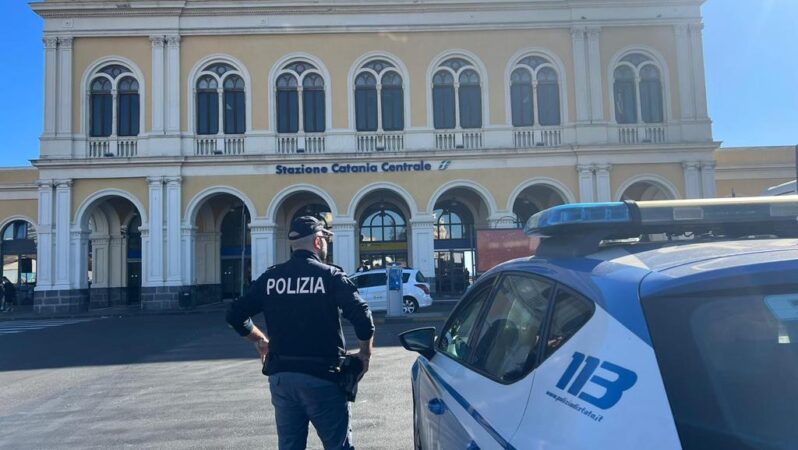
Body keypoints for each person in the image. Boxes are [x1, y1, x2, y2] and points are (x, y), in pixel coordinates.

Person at [226, 216, 375, 450]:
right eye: (325, 238)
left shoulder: (270, 278)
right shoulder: (330, 276)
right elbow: (363, 318)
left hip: (282, 378)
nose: (326, 243)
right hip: (323, 377)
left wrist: (260, 340)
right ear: (317, 241)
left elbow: (235, 315)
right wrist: (365, 353)